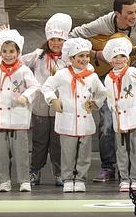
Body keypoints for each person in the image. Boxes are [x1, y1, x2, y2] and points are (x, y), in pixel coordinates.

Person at [69, 0, 136, 182]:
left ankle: (132, 170)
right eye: (129, 13)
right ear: (117, 13)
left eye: (135, 12)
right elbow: (73, 36)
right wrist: (96, 54)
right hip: (106, 76)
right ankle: (108, 166)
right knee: (108, 122)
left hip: (131, 77)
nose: (134, 17)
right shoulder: (103, 24)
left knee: (133, 123)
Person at [42, 38, 106, 193]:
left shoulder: (92, 76)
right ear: (71, 58)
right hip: (67, 119)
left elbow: (102, 93)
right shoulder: (62, 74)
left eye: (86, 56)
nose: (84, 59)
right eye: (80, 56)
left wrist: (96, 103)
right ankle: (68, 178)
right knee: (68, 153)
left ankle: (81, 178)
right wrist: (53, 99)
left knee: (84, 154)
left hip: (85, 121)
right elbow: (47, 87)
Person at [0, 30, 39, 193]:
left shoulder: (23, 70)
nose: (8, 55)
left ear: (18, 52)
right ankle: (4, 181)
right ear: (0, 52)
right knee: (0, 152)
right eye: (5, 51)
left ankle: (24, 180)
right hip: (1, 119)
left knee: (21, 152)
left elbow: (35, 86)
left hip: (18, 117)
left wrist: (25, 96)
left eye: (12, 52)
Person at [21, 13, 72, 187]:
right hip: (41, 108)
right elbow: (18, 62)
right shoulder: (38, 55)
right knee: (39, 142)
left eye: (60, 39)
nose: (56, 43)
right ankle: (35, 170)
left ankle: (59, 172)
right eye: (53, 39)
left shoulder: (68, 59)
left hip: (61, 108)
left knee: (58, 143)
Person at [102, 37, 136, 192]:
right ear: (110, 60)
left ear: (127, 59)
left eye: (122, 56)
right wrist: (113, 106)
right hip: (119, 118)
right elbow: (108, 96)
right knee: (121, 149)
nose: (119, 60)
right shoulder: (109, 77)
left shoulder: (132, 71)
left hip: (134, 116)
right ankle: (124, 178)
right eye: (115, 57)